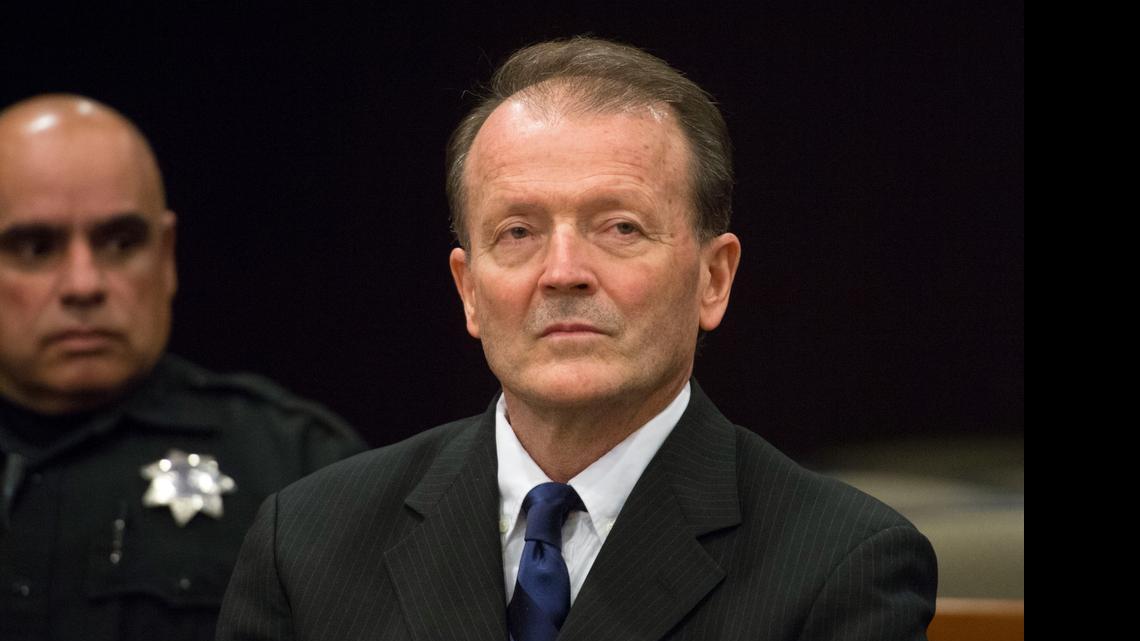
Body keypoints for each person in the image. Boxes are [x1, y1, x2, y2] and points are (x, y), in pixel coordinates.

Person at [218, 37, 937, 641]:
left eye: (619, 227)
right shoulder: (306, 544)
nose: (563, 273)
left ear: (713, 278)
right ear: (469, 290)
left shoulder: (843, 566)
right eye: (519, 232)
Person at [0, 95, 366, 641]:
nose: (84, 285)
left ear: (166, 254)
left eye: (121, 242)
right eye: (35, 248)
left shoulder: (296, 467)